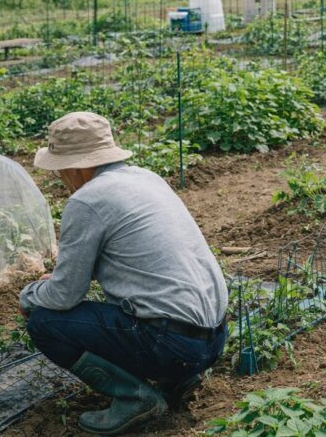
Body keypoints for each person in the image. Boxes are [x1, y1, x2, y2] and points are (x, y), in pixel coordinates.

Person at [19, 112, 228, 435]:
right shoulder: (146, 177)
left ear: (78, 165)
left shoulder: (87, 200)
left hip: (172, 346)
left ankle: (135, 399)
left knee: (44, 322)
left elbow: (64, 295)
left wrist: (30, 293)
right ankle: (180, 377)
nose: (59, 176)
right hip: (213, 339)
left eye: (59, 168)